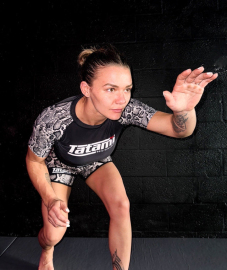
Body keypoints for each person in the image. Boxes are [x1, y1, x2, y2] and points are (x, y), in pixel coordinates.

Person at [26, 44, 218, 270]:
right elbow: (34, 160)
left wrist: (183, 111)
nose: (122, 99)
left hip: (97, 160)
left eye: (127, 89)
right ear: (86, 89)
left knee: (121, 205)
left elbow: (179, 130)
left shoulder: (127, 110)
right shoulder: (54, 119)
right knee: (53, 235)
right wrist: (50, 199)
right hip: (61, 163)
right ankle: (47, 251)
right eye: (110, 89)